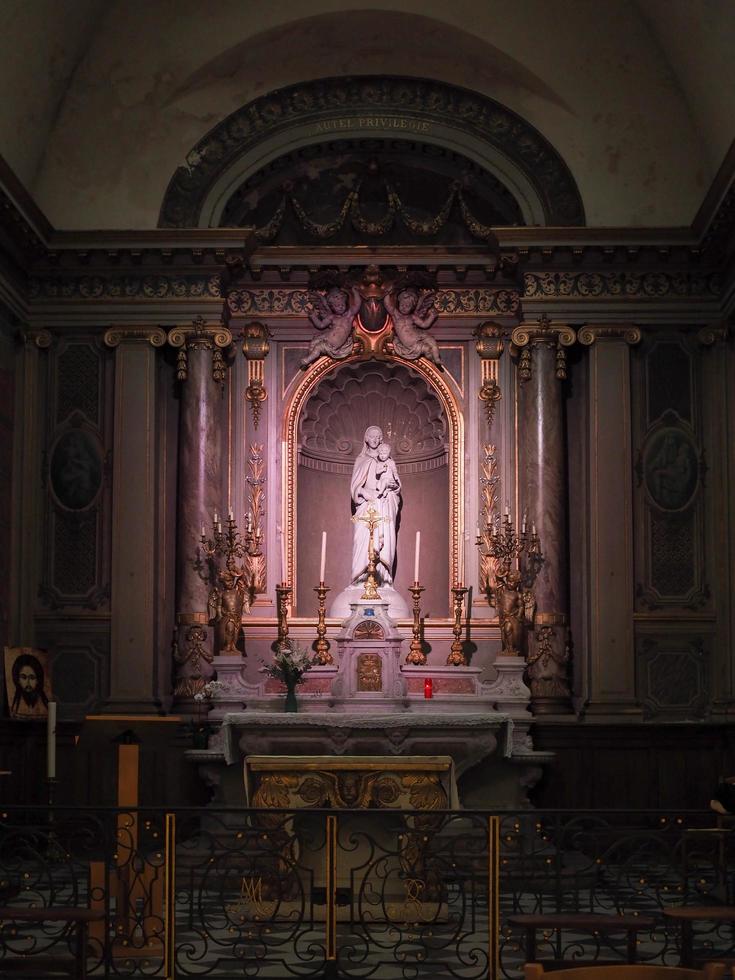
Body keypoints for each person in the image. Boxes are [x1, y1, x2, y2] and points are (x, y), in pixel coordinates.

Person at [9, 652, 49, 719]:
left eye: (32, 678)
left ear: (38, 680)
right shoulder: (14, 704)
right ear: (18, 680)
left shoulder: (44, 704)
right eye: (23, 677)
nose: (28, 683)